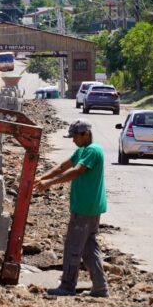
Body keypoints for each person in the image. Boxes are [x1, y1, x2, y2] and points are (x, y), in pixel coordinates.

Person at [33, 119, 108, 297]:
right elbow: (62, 166)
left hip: (84, 207)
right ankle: (100, 287)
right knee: (89, 248)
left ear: (85, 134)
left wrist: (49, 183)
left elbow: (76, 171)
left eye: (75, 137)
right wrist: (41, 178)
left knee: (73, 246)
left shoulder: (92, 150)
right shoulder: (82, 150)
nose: (73, 140)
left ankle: (67, 286)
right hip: (90, 207)